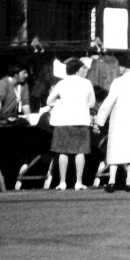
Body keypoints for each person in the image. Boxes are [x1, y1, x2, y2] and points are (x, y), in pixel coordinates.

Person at [94, 53, 130, 193]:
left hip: (118, 121)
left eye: (119, 66)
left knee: (115, 151)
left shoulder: (118, 82)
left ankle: (112, 180)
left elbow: (109, 102)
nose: (118, 68)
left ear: (125, 67)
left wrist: (99, 120)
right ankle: (129, 180)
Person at [46, 58, 96, 191]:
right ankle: (78, 182)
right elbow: (91, 103)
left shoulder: (61, 83)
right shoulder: (87, 83)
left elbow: (49, 101)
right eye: (83, 68)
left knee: (63, 152)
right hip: (81, 121)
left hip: (63, 122)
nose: (85, 71)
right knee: (80, 152)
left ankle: (62, 182)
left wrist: (59, 103)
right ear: (78, 69)